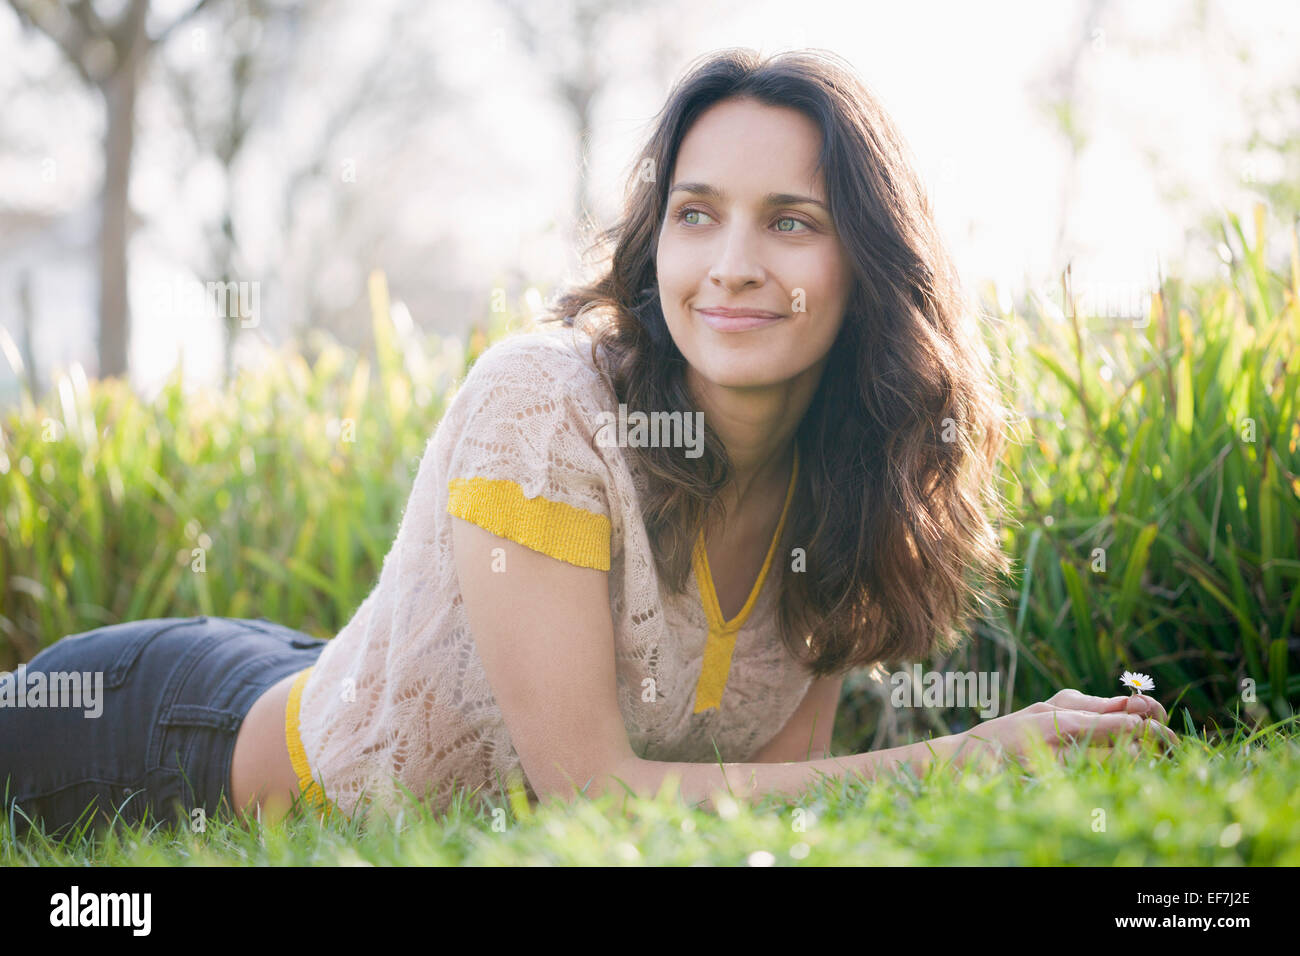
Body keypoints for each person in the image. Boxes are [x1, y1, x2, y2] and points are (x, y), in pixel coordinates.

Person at [0, 48, 1177, 839]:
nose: (732, 264)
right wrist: (983, 751)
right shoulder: (546, 406)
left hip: (331, 665)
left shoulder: (847, 474)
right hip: (165, 729)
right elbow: (592, 798)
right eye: (697, 212)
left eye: (792, 222)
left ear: (866, 262)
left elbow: (763, 801)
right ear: (654, 238)